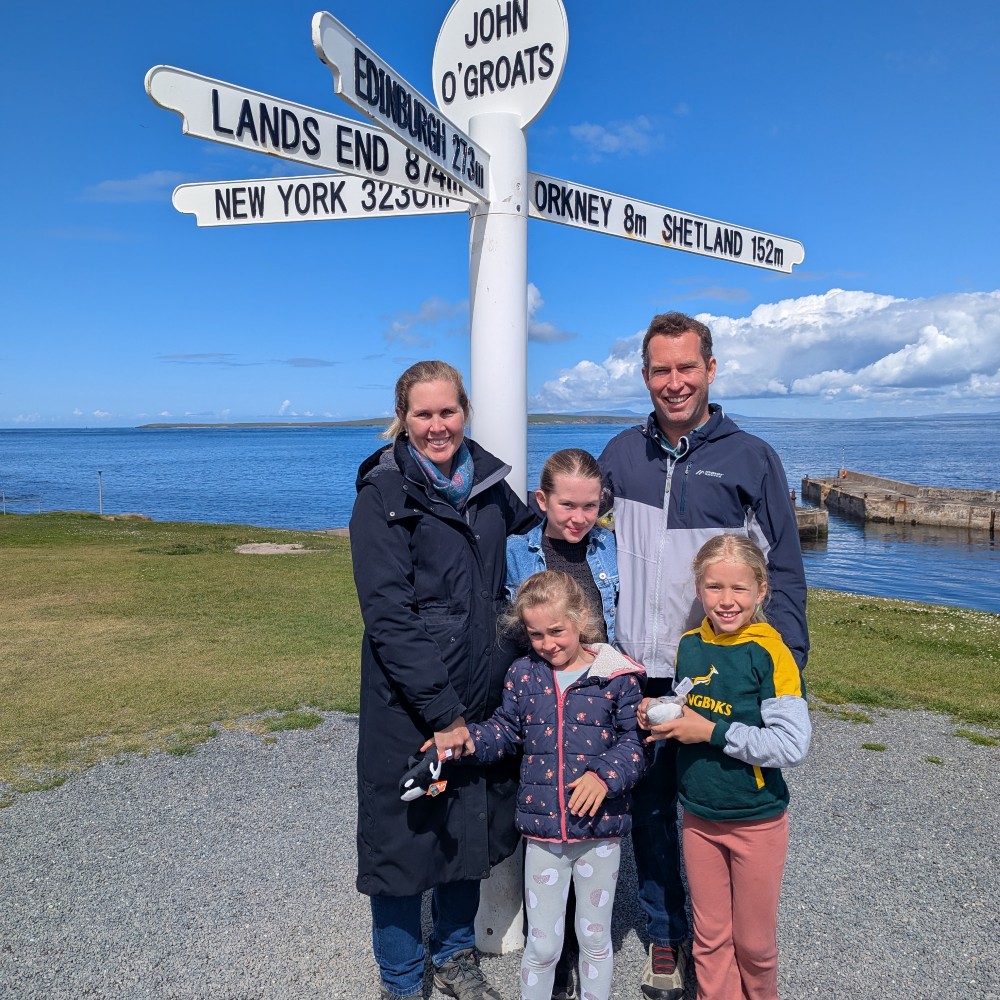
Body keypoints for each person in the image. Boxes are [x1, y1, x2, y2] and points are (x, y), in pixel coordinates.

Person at [598, 311, 809, 1000]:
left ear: (711, 371)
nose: (675, 381)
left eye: (687, 367)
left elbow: (783, 569)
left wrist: (786, 669)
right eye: (661, 369)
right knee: (654, 811)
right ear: (645, 375)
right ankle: (667, 932)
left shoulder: (751, 457)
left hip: (715, 670)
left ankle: (731, 938)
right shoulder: (621, 454)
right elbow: (569, 526)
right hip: (640, 667)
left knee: (718, 806)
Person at [349, 360, 536, 1000]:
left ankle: (455, 957)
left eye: (448, 412)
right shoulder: (383, 493)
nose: (437, 426)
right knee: (401, 844)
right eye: (423, 414)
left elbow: (532, 544)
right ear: (404, 416)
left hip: (482, 696)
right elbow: (389, 615)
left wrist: (583, 508)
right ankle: (401, 979)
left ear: (466, 412)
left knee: (469, 828)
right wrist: (443, 713)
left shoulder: (486, 486)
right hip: (410, 703)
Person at [451, 570, 646, 1000]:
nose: (548, 643)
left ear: (581, 620)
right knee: (541, 945)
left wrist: (604, 776)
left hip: (600, 836)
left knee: (595, 942)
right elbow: (505, 730)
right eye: (536, 634)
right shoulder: (524, 674)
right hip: (542, 837)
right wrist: (468, 739)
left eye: (556, 630)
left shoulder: (616, 678)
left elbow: (635, 745)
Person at [643, 534, 811, 1000]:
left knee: (754, 944)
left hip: (757, 820)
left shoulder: (770, 652)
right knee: (710, 937)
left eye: (739, 588)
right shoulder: (690, 644)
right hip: (698, 817)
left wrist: (712, 732)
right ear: (698, 589)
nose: (726, 600)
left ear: (761, 591)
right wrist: (659, 710)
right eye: (714, 587)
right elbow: (686, 702)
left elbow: (792, 745)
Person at [504, 448, 619, 1000]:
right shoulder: (515, 553)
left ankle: (580, 958)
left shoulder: (611, 547)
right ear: (542, 499)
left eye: (589, 506)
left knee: (592, 836)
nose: (578, 517)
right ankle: (552, 962)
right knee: (549, 826)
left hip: (597, 712)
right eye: (566, 504)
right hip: (543, 711)